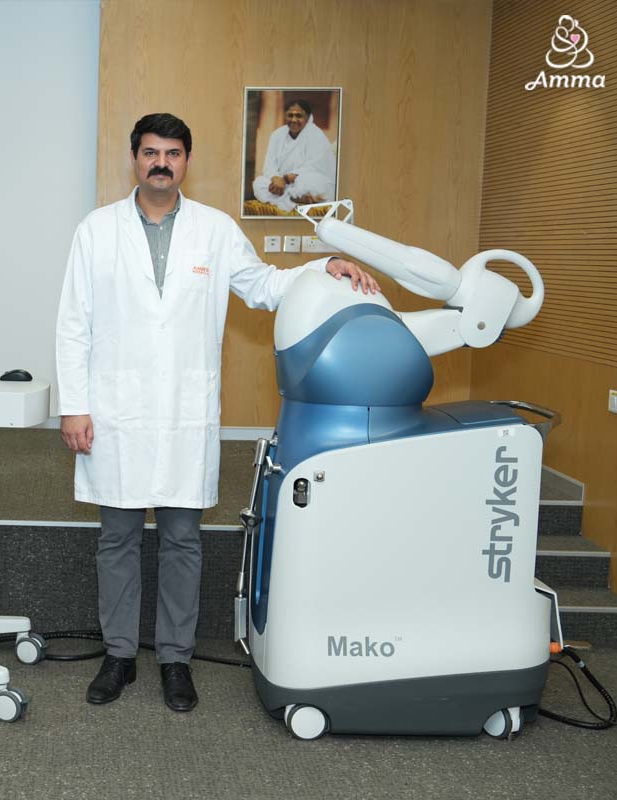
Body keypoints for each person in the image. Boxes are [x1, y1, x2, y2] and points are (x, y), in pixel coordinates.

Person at [55, 113, 377, 712]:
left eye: (172, 154)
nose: (161, 163)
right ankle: (120, 654)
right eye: (150, 152)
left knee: (182, 539)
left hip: (183, 408)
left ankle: (175, 659)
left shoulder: (215, 229)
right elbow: (74, 324)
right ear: (134, 158)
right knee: (117, 538)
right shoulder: (95, 231)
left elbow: (262, 285)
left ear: (186, 161)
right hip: (116, 409)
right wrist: (73, 406)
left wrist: (322, 267)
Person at [251, 99, 337, 212]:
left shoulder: (316, 135)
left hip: (304, 181)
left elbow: (314, 167)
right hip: (282, 186)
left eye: (299, 116)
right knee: (259, 183)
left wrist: (286, 179)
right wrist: (275, 179)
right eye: (290, 115)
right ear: (285, 116)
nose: (294, 120)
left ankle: (292, 197)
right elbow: (269, 164)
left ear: (307, 117)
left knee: (309, 183)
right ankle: (295, 199)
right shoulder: (277, 135)